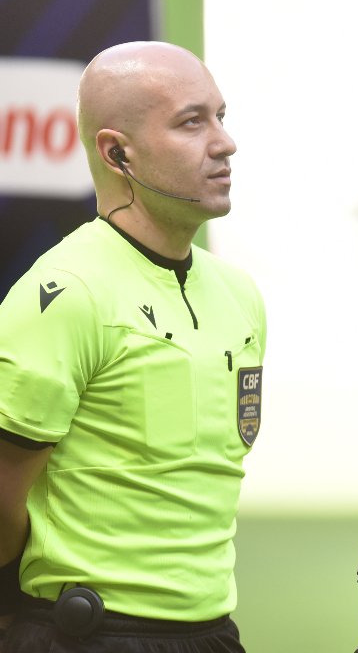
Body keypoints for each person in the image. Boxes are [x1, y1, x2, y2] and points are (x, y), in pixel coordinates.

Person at [0, 41, 264, 652]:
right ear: (117, 152)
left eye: (220, 117)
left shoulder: (240, 295)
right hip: (87, 635)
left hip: (214, 635)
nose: (224, 143)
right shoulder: (64, 291)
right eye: (191, 122)